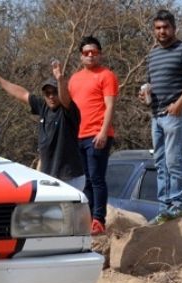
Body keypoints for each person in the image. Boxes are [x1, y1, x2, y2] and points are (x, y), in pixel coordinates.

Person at [0, 62, 84, 189]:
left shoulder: (67, 110)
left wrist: (60, 79)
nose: (51, 96)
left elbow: (66, 99)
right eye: (47, 93)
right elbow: (22, 94)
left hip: (70, 178)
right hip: (50, 177)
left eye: (54, 92)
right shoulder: (43, 107)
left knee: (66, 210)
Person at [142, 9, 182, 224]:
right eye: (158, 28)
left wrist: (179, 104)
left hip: (175, 114)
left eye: (165, 27)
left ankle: (180, 207)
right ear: (154, 31)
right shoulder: (153, 54)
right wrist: (145, 93)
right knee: (160, 163)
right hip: (156, 115)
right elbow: (150, 82)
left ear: (174, 28)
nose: (162, 31)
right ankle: (164, 208)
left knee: (173, 160)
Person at [69, 36, 119, 235]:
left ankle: (99, 219)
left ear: (100, 54)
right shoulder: (74, 78)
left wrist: (103, 132)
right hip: (78, 135)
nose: (90, 56)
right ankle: (88, 218)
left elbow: (110, 106)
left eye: (94, 52)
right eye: (86, 53)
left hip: (97, 134)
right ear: (81, 56)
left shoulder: (106, 75)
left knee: (97, 178)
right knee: (85, 180)